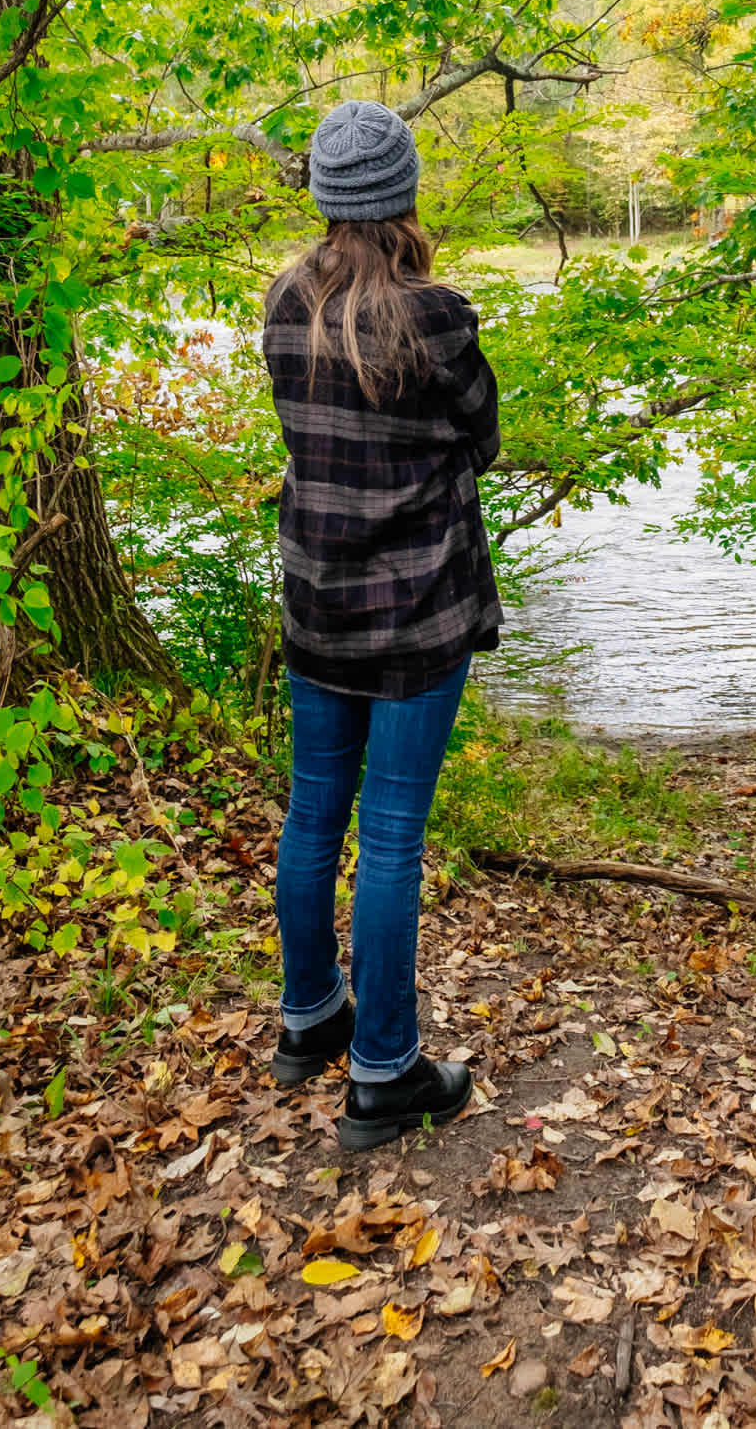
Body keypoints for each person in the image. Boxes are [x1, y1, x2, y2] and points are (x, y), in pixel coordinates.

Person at [261, 99, 502, 1153]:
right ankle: (383, 1073)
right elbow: (480, 436)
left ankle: (309, 1015)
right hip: (415, 616)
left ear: (324, 196)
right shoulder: (433, 313)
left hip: (317, 603)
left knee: (317, 812)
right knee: (390, 835)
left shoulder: (284, 302)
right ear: (402, 196)